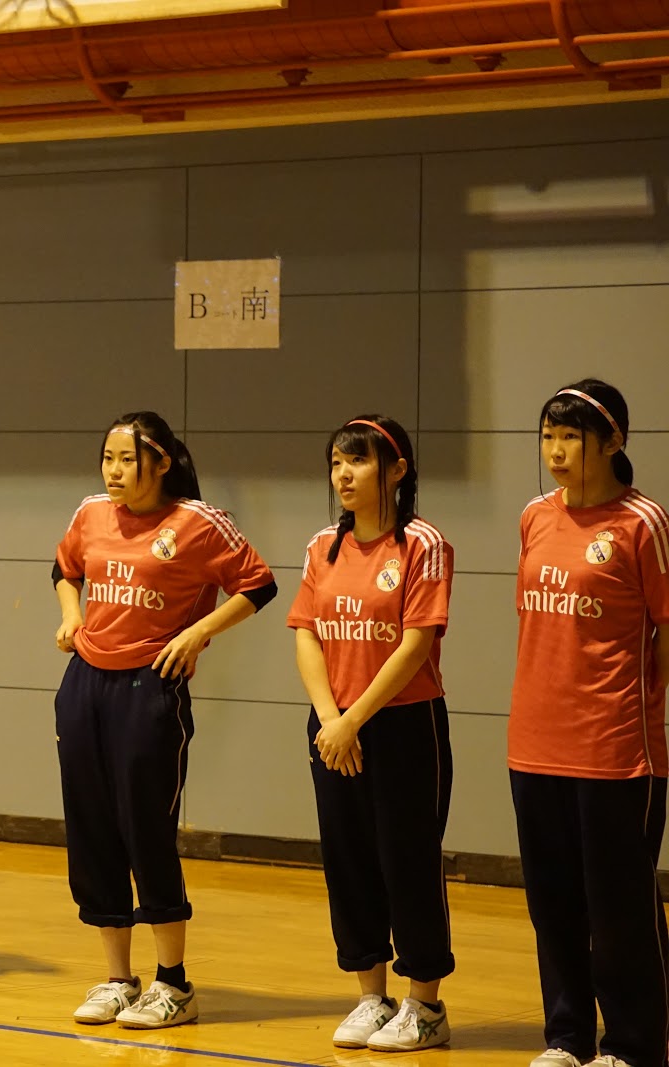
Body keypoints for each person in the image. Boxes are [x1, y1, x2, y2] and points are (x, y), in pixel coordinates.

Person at [54, 411, 275, 1030]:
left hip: (149, 688)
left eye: (126, 459)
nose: (113, 471)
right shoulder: (91, 513)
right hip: (85, 684)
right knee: (93, 828)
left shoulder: (198, 522)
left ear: (161, 463)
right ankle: (117, 979)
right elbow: (65, 569)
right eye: (108, 458)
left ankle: (173, 982)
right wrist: (72, 615)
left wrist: (199, 633)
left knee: (145, 828)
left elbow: (258, 585)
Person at [509, 379, 669, 1067]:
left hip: (615, 748)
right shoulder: (533, 517)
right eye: (548, 436)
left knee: (619, 908)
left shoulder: (642, 523)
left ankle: (634, 1044)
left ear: (612, 442)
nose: (556, 450)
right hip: (533, 742)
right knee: (553, 904)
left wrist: (643, 701)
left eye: (571, 437)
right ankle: (567, 1036)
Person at [288, 415, 455, 1051]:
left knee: (407, 859)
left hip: (401, 723)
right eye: (336, 462)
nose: (343, 475)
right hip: (332, 726)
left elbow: (416, 643)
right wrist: (331, 719)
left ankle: (425, 1004)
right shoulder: (321, 546)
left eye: (357, 461)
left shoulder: (423, 543)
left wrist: (355, 718)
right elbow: (307, 631)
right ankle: (370, 996)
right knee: (348, 858)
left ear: (397, 470)